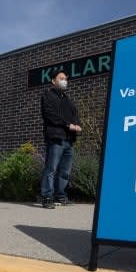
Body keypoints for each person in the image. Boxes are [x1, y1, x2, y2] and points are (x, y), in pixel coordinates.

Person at [40, 70, 82, 209]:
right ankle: (47, 197)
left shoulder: (67, 99)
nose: (65, 81)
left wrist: (77, 125)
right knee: (51, 169)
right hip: (56, 138)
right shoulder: (48, 95)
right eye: (61, 78)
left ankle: (61, 196)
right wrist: (67, 124)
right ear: (53, 81)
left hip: (68, 140)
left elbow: (75, 114)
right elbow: (49, 115)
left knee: (65, 171)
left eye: (66, 79)